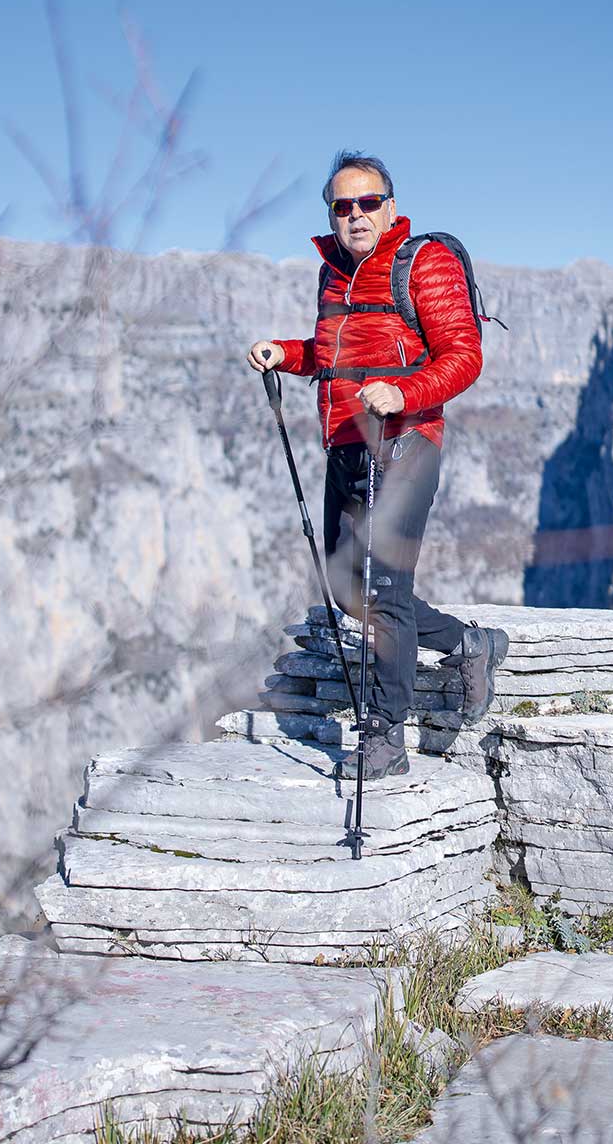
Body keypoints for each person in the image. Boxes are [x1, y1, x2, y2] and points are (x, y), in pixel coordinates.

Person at [248, 150, 508, 779]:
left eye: (368, 203)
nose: (356, 214)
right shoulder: (332, 274)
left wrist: (403, 393)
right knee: (346, 587)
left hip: (407, 440)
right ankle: (466, 644)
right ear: (331, 213)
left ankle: (383, 736)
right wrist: (286, 352)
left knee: (385, 587)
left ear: (389, 206)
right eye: (343, 205)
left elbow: (463, 355)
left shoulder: (424, 262)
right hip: (344, 439)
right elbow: (336, 353)